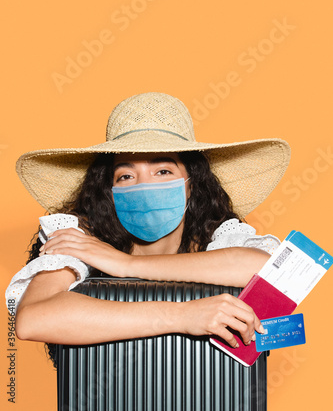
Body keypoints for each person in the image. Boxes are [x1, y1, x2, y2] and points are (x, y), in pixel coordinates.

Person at [6, 92, 290, 364]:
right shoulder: (80, 241)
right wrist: (181, 316)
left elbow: (269, 270)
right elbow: (33, 320)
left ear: (191, 185)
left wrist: (126, 265)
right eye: (126, 175)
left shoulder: (220, 237)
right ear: (109, 190)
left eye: (163, 171)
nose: (144, 185)